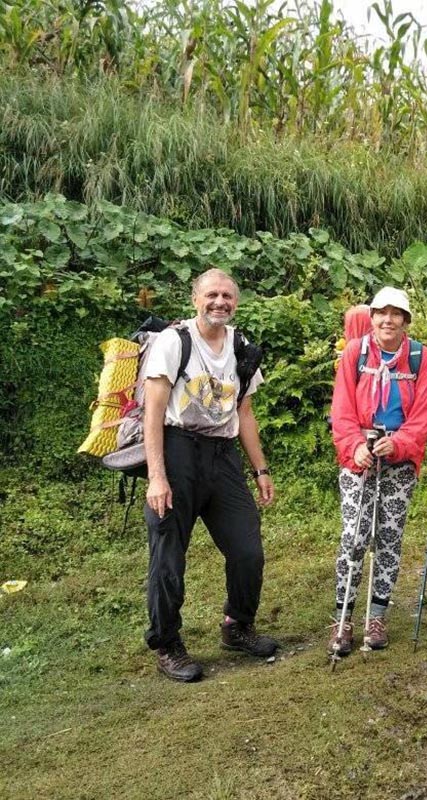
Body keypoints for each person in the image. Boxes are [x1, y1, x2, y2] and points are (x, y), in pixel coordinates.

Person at [143, 268, 277, 682]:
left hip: (223, 456)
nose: (219, 302)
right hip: (178, 450)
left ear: (236, 302)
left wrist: (261, 469)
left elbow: (245, 413)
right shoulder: (173, 342)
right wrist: (157, 476)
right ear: (195, 299)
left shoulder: (241, 347)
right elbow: (153, 412)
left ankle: (237, 625)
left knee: (247, 549)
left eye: (227, 296)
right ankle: (166, 643)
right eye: (211, 295)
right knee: (168, 555)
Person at [328, 287, 427, 654]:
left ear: (406, 320)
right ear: (371, 317)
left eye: (396, 314)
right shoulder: (354, 354)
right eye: (381, 313)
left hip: (399, 459)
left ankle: (377, 618)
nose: (388, 320)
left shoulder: (421, 358)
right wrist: (354, 446)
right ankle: (342, 619)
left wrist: (401, 444)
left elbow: (422, 415)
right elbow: (341, 409)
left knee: (388, 539)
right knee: (354, 537)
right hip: (358, 455)